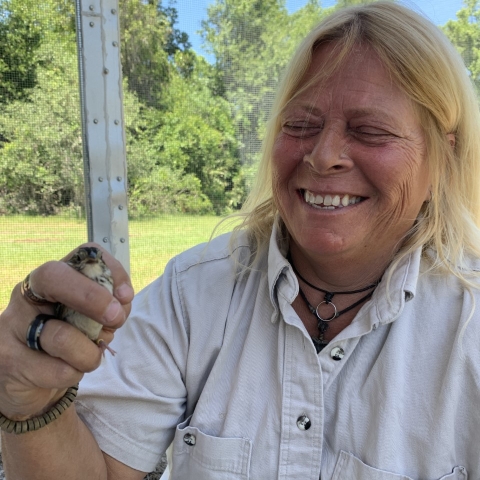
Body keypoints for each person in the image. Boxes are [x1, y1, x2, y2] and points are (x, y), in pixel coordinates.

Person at [1, 1, 480, 478]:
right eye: (300, 126)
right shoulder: (193, 295)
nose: (322, 155)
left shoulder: (469, 322)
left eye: (370, 131)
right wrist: (28, 404)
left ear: (444, 156)